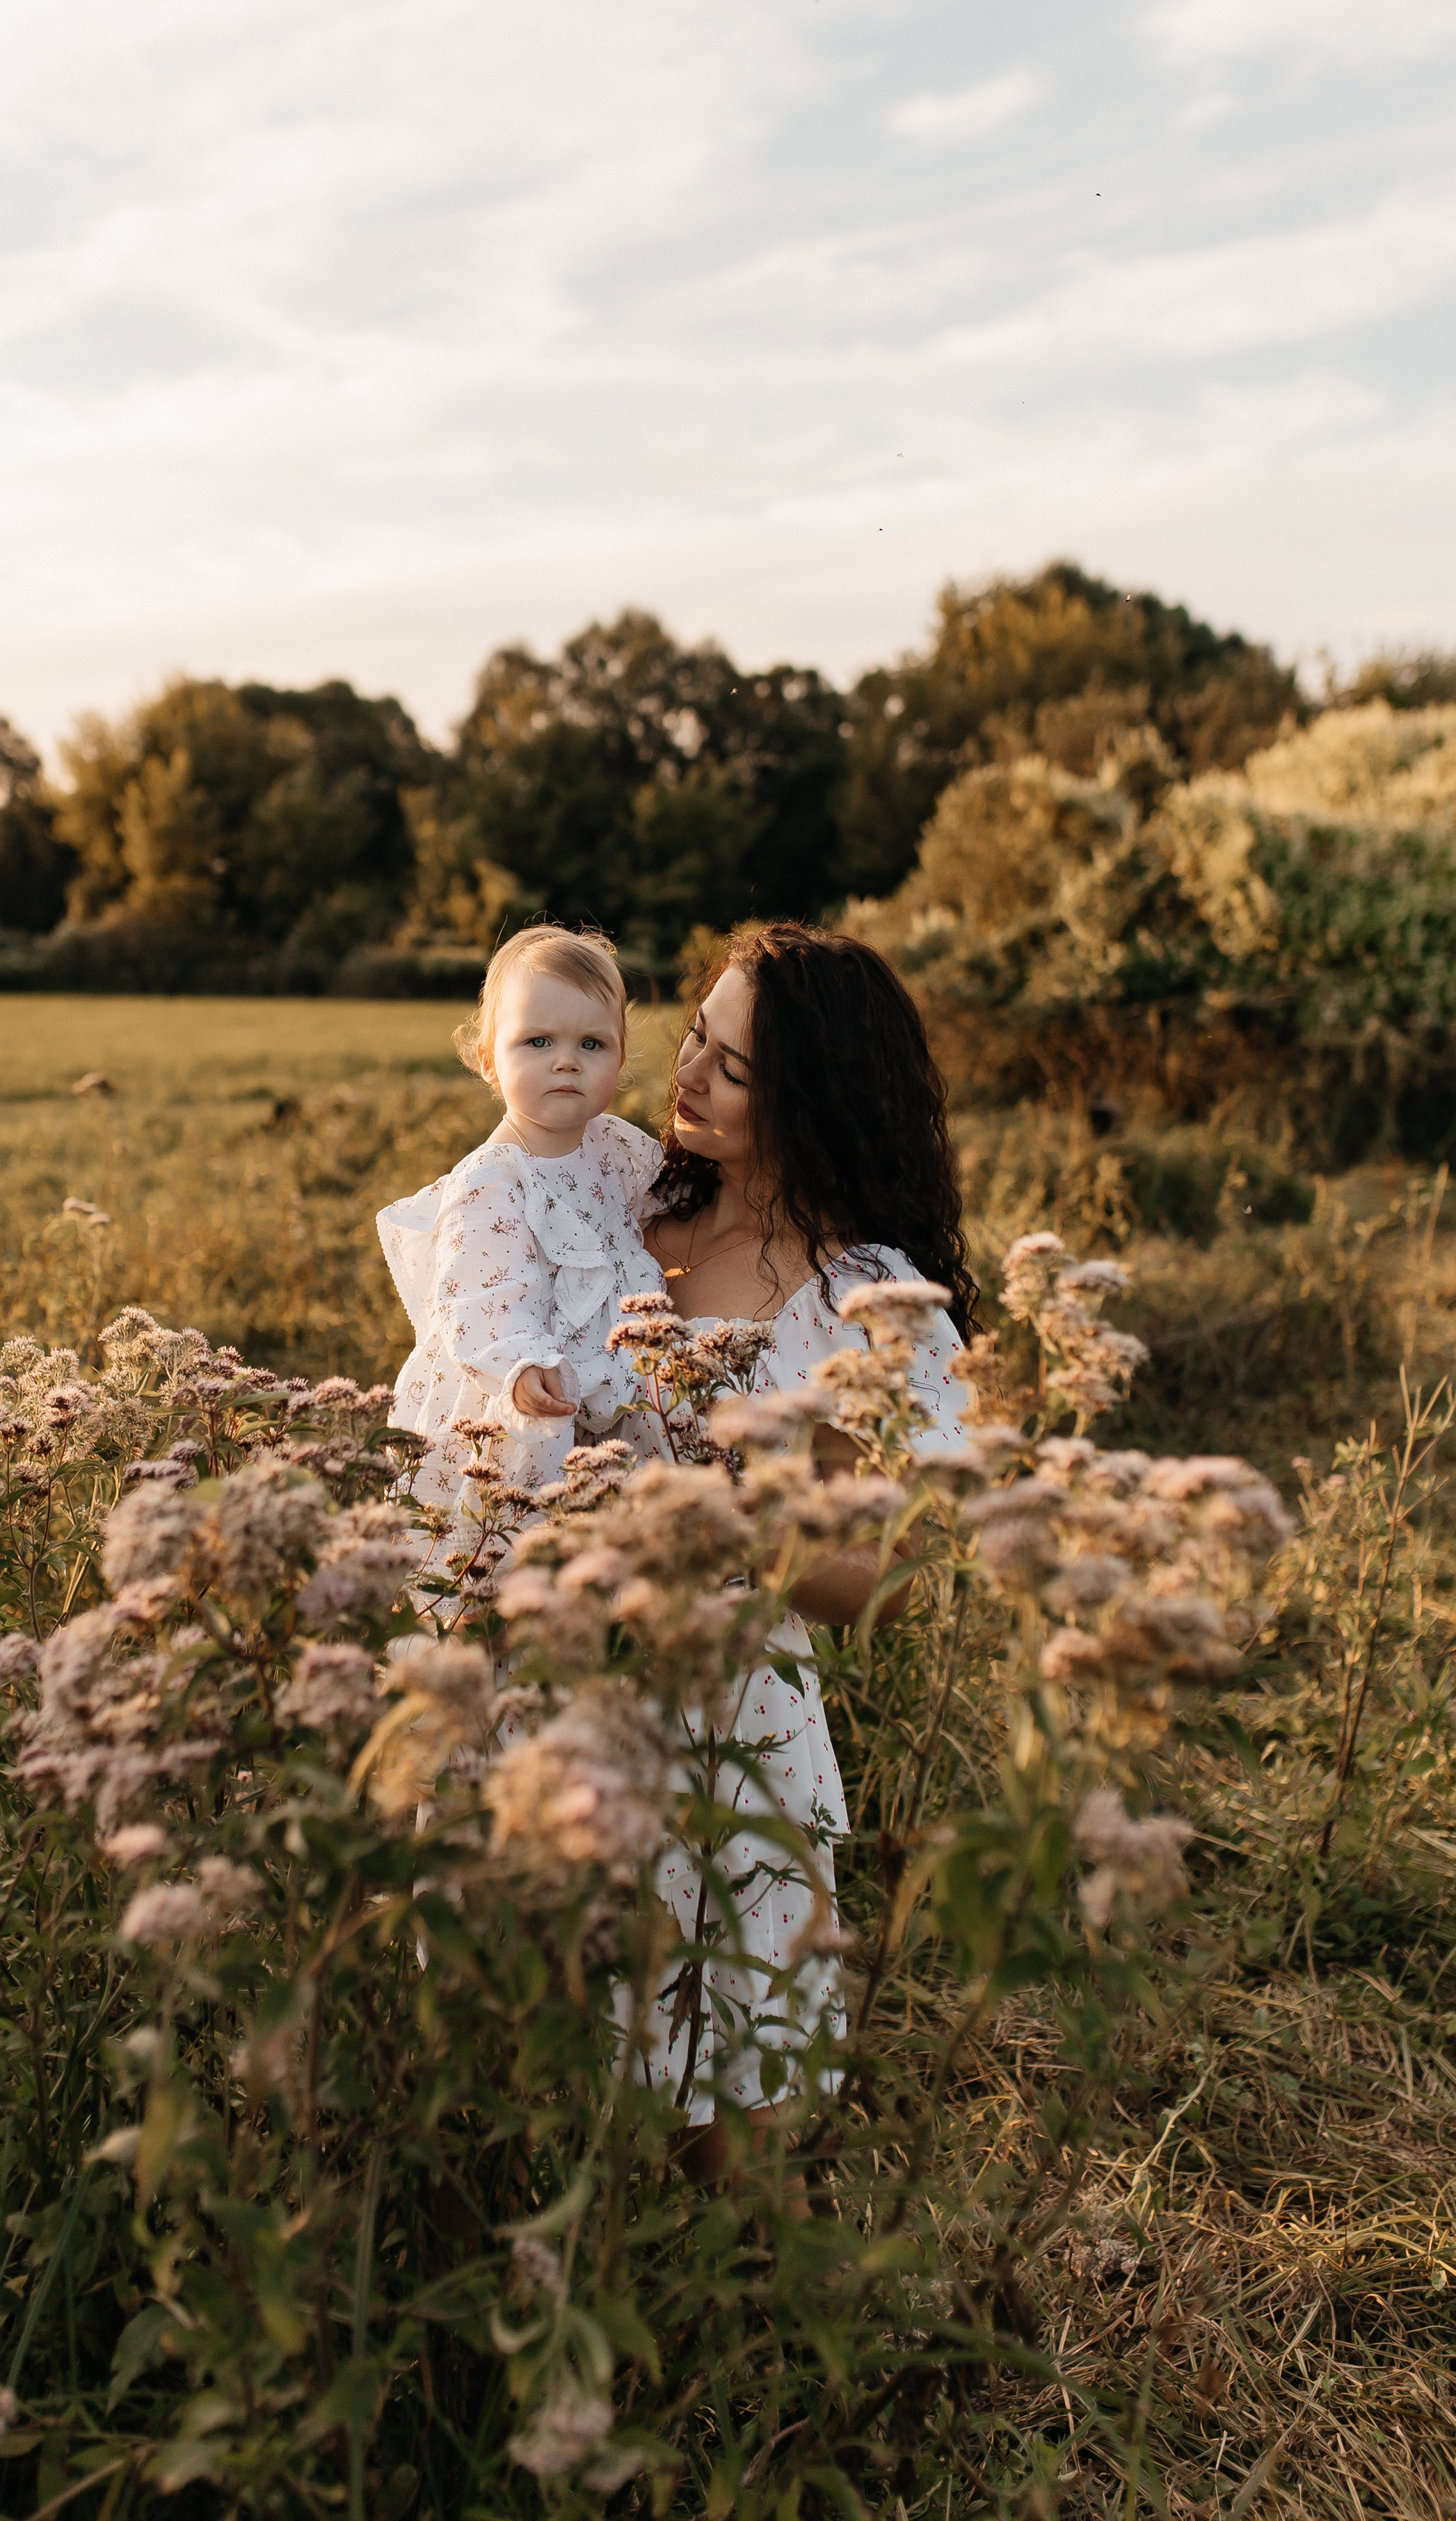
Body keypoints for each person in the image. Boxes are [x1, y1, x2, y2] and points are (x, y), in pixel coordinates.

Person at [631, 921, 977, 2172]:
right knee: (556, 2051)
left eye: (731, 1069)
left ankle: (753, 2360)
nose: (686, 1076)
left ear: (813, 1105)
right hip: (566, 1684)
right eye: (694, 1036)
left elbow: (883, 1586)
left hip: (737, 1727)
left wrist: (738, 1524)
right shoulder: (622, 1204)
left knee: (736, 2098)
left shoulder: (856, 1300)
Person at [377, 926, 663, 1553]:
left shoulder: (617, 1149)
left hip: (609, 1391)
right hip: (524, 1405)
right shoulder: (493, 1178)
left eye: (592, 1043)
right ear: (488, 1058)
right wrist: (521, 1366)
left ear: (619, 1060)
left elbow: (669, 1211)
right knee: (512, 1554)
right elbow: (480, 1294)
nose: (567, 1060)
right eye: (538, 1041)